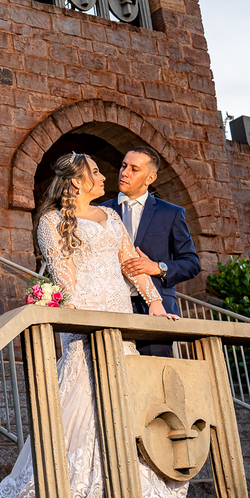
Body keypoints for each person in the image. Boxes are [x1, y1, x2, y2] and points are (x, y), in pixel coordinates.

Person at [0, 152, 189, 498]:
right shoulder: (50, 222)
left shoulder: (111, 216)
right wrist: (83, 318)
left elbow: (131, 265)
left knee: (125, 397)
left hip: (121, 318)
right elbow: (66, 279)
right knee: (84, 397)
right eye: (95, 171)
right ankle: (75, 478)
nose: (105, 177)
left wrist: (154, 302)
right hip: (86, 323)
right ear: (77, 181)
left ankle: (129, 477)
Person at [102, 146, 201, 357]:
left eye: (134, 169)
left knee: (155, 380)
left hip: (155, 309)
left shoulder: (171, 213)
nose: (124, 172)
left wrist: (157, 267)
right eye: (124, 165)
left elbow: (192, 263)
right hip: (110, 307)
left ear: (150, 178)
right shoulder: (101, 211)